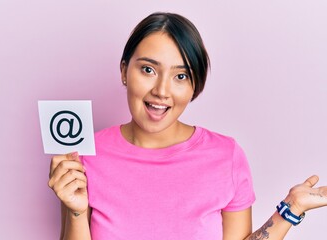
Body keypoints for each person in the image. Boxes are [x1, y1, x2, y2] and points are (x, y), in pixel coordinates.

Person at [48, 12, 327, 240]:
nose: (161, 90)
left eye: (180, 76)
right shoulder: (83, 155)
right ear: (124, 71)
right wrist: (75, 212)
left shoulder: (225, 156)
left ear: (194, 86)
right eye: (148, 69)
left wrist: (292, 208)